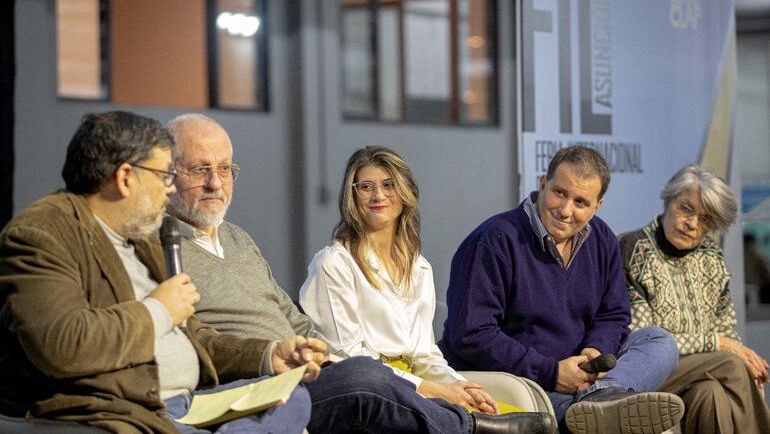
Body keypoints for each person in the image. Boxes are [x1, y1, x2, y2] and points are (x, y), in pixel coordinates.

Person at [166, 112, 557, 434]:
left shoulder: (239, 239)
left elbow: (297, 322)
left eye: (224, 168)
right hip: (264, 380)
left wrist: (450, 383)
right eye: (200, 170)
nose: (215, 182)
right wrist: (427, 388)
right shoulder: (163, 247)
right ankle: (471, 428)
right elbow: (192, 338)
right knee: (365, 376)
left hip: (309, 370)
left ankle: (479, 419)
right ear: (168, 174)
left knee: (367, 375)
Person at [0, 111, 322, 434]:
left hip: (191, 403)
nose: (170, 189)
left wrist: (268, 356)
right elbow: (63, 345)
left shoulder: (140, 239)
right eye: (163, 176)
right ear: (126, 177)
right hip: (126, 411)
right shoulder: (42, 234)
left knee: (292, 398)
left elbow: (197, 338)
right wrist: (159, 310)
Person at [440, 145, 684, 434]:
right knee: (589, 412)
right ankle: (594, 409)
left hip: (583, 375)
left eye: (581, 202)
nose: (566, 211)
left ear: (598, 205)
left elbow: (614, 314)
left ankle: (601, 398)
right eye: (559, 193)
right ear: (543, 183)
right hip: (524, 380)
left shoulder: (602, 239)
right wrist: (552, 372)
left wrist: (596, 352)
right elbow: (471, 334)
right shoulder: (493, 241)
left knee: (658, 341)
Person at [300, 146, 520, 416]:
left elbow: (425, 354)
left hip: (419, 386)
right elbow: (350, 360)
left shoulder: (419, 267)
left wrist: (460, 386)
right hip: (371, 394)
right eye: (365, 187)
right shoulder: (334, 264)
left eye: (388, 185)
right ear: (352, 197)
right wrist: (432, 390)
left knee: (514, 418)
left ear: (405, 192)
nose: (378, 195)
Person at [620, 165, 770, 434]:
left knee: (710, 394)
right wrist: (718, 344)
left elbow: (725, 329)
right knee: (733, 363)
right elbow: (644, 340)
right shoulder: (633, 249)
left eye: (705, 220)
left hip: (702, 375)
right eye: (686, 208)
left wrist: (730, 347)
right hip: (645, 372)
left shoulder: (712, 256)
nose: (692, 224)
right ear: (669, 200)